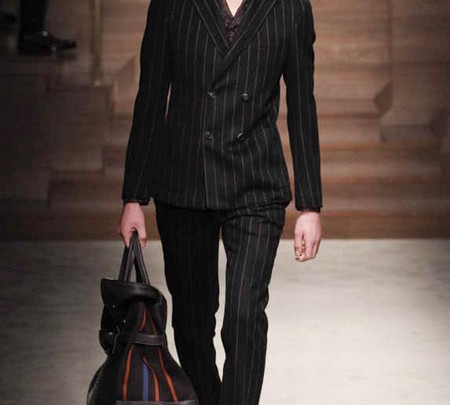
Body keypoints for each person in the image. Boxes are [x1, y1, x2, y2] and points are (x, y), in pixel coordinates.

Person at [118, 0, 323, 403]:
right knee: (192, 326)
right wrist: (133, 196)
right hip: (185, 181)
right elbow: (152, 94)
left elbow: (303, 102)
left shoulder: (289, 7)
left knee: (245, 316)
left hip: (256, 182)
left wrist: (310, 205)